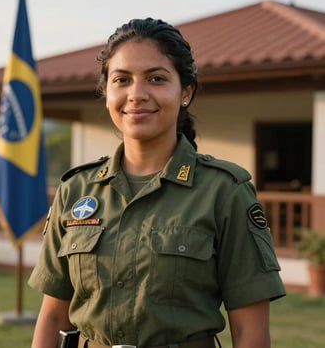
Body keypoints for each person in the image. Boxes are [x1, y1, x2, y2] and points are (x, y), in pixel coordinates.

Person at [29, 18, 286, 348]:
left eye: (156, 78)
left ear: (185, 92)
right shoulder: (76, 191)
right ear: (106, 92)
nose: (137, 95)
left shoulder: (224, 191)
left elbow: (250, 330)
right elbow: (52, 316)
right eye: (122, 79)